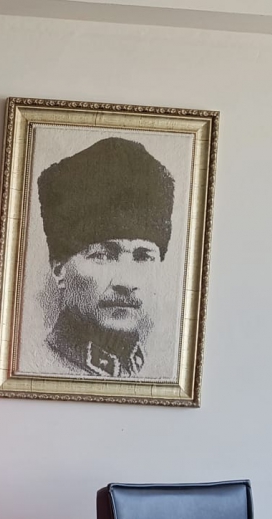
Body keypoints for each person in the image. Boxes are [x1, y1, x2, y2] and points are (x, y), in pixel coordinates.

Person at [35, 136, 175, 377]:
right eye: (102, 255)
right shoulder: (44, 363)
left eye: (143, 257)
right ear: (59, 269)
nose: (127, 282)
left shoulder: (154, 370)